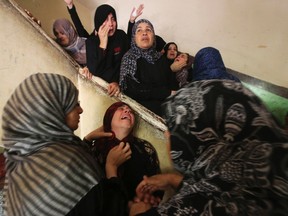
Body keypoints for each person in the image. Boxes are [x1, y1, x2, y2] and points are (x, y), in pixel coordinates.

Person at [128, 81, 288, 215]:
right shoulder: (272, 178)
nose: (168, 135)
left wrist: (138, 212)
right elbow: (217, 188)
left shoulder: (191, 209)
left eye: (173, 130)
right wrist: (173, 180)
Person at [2, 73, 132, 216]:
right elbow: (110, 210)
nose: (81, 110)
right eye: (74, 104)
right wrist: (111, 168)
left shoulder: (28, 147)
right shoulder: (70, 163)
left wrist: (87, 141)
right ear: (55, 109)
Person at [84, 102, 163, 209]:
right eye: (121, 108)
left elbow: (157, 185)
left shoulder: (144, 148)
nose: (127, 111)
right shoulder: (96, 148)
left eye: (130, 111)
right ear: (109, 118)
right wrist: (88, 139)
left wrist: (150, 199)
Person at [119, 19, 180, 116]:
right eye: (139, 30)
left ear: (153, 36)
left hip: (169, 110)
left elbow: (173, 85)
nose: (144, 33)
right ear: (134, 38)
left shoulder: (161, 58)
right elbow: (132, 90)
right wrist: (166, 93)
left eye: (148, 30)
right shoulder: (129, 58)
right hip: (143, 114)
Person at [85, 4, 129, 97]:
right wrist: (103, 44)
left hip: (121, 87)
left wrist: (118, 83)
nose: (110, 24)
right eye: (106, 19)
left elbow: (127, 63)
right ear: (99, 22)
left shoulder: (121, 36)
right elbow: (95, 70)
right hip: (100, 90)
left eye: (113, 19)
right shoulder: (91, 42)